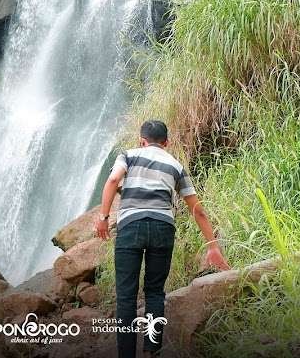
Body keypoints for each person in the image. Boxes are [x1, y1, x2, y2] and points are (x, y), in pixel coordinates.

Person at [95, 120, 230, 358]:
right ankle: (151, 352)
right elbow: (197, 209)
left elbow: (114, 180)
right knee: (155, 293)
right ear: (166, 143)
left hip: (131, 227)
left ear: (141, 140)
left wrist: (103, 217)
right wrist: (213, 246)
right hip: (162, 228)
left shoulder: (128, 155)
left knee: (126, 297)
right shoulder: (176, 166)